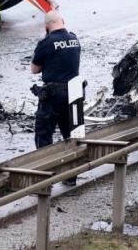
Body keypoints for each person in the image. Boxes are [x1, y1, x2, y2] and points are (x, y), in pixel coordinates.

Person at [30, 10, 81, 164]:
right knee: (72, 134)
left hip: (53, 94)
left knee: (43, 133)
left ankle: (46, 171)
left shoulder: (46, 43)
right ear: (63, 21)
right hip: (74, 92)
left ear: (47, 26)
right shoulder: (75, 39)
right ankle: (72, 175)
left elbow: (34, 69)